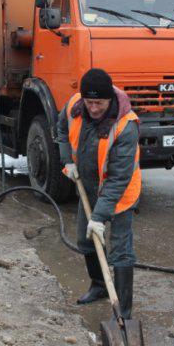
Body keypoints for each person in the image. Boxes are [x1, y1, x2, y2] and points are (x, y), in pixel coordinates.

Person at [57, 68, 142, 319]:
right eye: (89, 102)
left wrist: (99, 217)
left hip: (121, 194)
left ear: (110, 99)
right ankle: (100, 286)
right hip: (88, 186)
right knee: (86, 241)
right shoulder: (75, 104)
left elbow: (118, 179)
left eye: (99, 103)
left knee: (121, 251)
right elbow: (61, 129)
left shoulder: (126, 126)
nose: (93, 108)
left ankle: (123, 313)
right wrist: (67, 161)